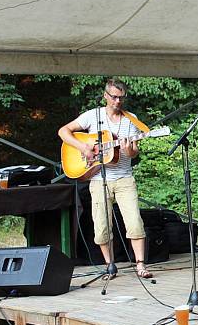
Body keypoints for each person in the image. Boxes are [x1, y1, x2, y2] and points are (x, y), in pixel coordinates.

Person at [58, 78, 153, 278]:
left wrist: (130, 150)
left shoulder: (131, 119)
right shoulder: (93, 116)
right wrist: (83, 147)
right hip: (98, 179)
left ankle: (140, 265)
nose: (118, 102)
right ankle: (110, 265)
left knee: (135, 222)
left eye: (121, 98)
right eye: (114, 97)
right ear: (106, 96)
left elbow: (134, 152)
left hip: (125, 178)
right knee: (101, 226)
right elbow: (63, 131)